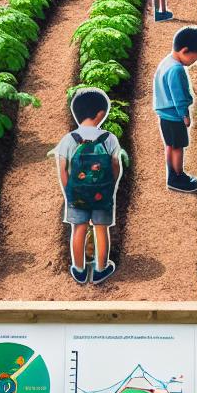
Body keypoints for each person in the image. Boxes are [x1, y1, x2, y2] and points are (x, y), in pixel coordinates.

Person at [54, 88, 124, 285]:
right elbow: (115, 165)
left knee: (79, 230)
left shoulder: (69, 139)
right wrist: (110, 186)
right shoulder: (109, 138)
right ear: (101, 114)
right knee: (101, 230)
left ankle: (79, 269)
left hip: (77, 195)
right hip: (102, 194)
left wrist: (69, 192)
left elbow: (63, 169)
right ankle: (101, 269)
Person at [153, 25, 197, 193]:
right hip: (174, 116)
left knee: (170, 145)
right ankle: (178, 177)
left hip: (164, 115)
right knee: (178, 147)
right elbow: (178, 97)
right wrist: (184, 115)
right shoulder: (176, 70)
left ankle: (171, 174)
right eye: (194, 59)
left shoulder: (166, 62)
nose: (193, 63)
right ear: (185, 51)